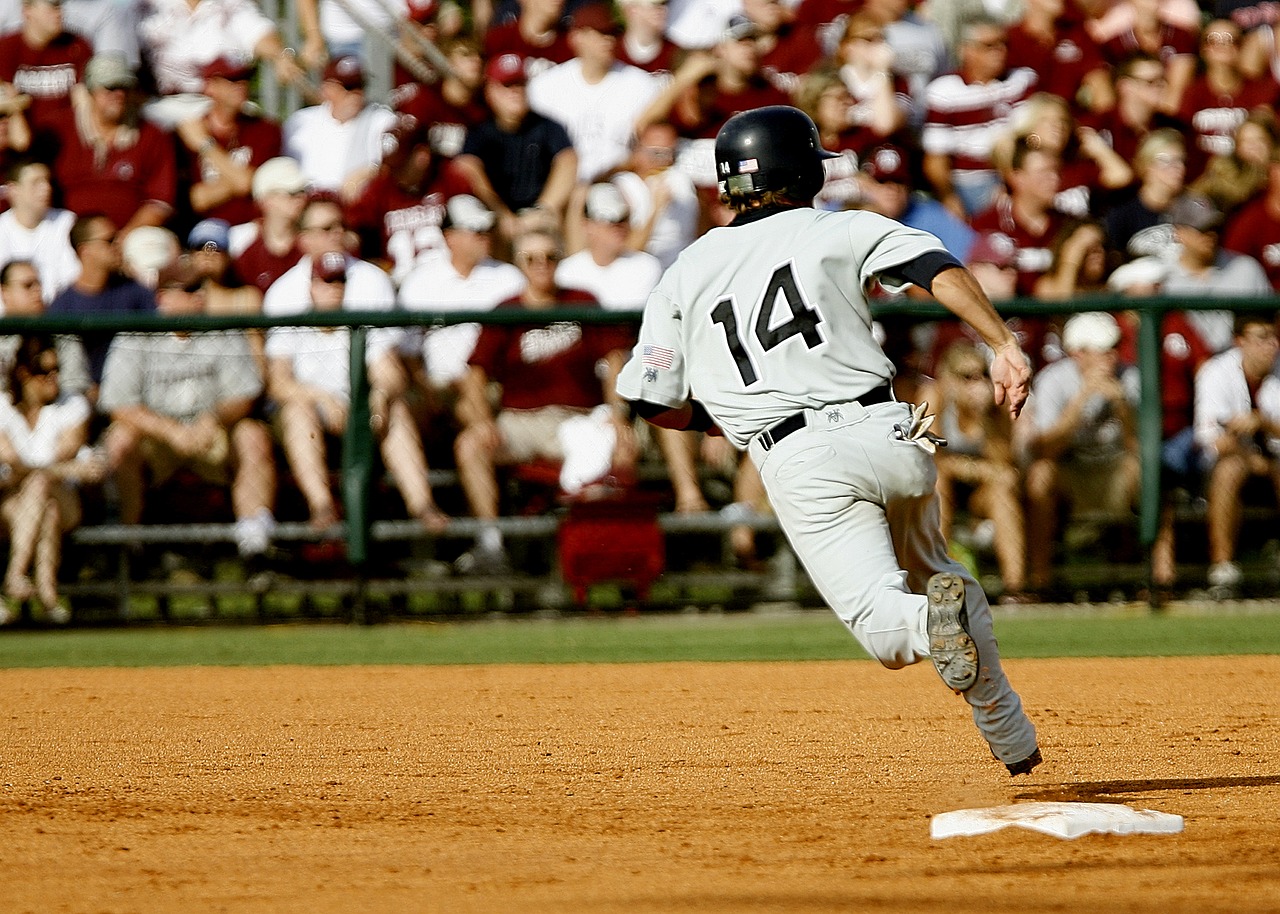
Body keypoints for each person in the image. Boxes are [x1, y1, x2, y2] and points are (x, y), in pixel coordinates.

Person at [616, 105, 1041, 777]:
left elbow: (646, 397)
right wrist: (1002, 344)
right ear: (803, 168)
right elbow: (935, 264)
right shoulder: (841, 227)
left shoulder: (684, 271)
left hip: (800, 455)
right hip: (894, 429)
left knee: (887, 625)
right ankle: (1010, 732)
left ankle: (932, 626)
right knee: (942, 576)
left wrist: (721, 421)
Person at [452, 226, 637, 573]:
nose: (542, 265)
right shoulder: (505, 309)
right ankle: (491, 544)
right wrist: (482, 421)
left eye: (550, 257)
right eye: (532, 259)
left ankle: (598, 561)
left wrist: (618, 412)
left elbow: (615, 360)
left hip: (578, 419)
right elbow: (474, 374)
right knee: (470, 445)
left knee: (621, 448)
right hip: (520, 420)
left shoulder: (582, 301)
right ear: (519, 264)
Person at [98, 256, 278, 560]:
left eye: (201, 288)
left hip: (211, 434)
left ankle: (255, 546)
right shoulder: (136, 333)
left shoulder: (223, 329)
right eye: (189, 290)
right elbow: (119, 406)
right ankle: (128, 543)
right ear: (162, 297)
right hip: (157, 438)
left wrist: (212, 419)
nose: (200, 296)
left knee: (252, 434)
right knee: (119, 438)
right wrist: (170, 431)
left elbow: (245, 397)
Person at [265, 250, 448, 533]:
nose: (334, 289)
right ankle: (322, 506)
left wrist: (378, 396)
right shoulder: (294, 320)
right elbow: (278, 384)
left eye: (340, 281)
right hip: (313, 410)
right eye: (327, 282)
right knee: (297, 413)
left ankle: (422, 504)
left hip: (359, 409)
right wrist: (321, 398)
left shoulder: (361, 320)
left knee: (395, 408)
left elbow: (389, 373)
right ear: (311, 285)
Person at [1022, 311, 1139, 596]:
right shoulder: (1054, 379)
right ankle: (1040, 583)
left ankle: (1159, 582)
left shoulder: (1131, 377)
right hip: (1071, 468)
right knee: (1040, 475)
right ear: (1078, 354)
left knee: (1150, 472)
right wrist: (1082, 398)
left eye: (1114, 347)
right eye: (1102, 350)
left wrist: (1123, 407)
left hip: (1115, 468)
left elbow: (1138, 446)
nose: (1111, 356)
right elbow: (1045, 447)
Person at [0, 333, 103, 624]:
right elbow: (11, 462)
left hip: (64, 498)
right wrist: (66, 469)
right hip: (14, 505)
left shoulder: (71, 406)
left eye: (56, 371)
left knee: (40, 484)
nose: (53, 379)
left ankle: (15, 576)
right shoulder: (3, 406)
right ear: (23, 374)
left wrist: (36, 471)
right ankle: (48, 598)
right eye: (43, 372)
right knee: (46, 509)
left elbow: (57, 453)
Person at [917, 340, 1029, 602]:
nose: (976, 383)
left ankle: (1016, 587)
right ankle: (939, 579)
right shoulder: (933, 398)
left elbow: (1004, 467)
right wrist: (975, 469)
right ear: (949, 377)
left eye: (981, 375)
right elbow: (931, 457)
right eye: (966, 376)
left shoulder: (994, 406)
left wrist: (983, 417)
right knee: (938, 482)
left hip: (980, 493)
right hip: (942, 486)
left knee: (1002, 493)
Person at [1193, 312, 1280, 600]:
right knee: (1228, 469)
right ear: (1240, 341)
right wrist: (1247, 453)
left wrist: (1264, 422)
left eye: (1275, 337)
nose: (1272, 345)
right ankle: (1223, 569)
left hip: (1274, 464)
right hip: (1232, 465)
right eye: (1262, 338)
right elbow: (1209, 439)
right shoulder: (1216, 371)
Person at [526, 2, 662, 184]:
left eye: (613, 33)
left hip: (618, 179)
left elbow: (650, 144)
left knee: (606, 202)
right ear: (576, 36)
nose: (609, 40)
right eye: (601, 33)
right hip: (557, 180)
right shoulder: (545, 86)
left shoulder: (640, 84)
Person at [452, 52, 578, 247]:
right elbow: (467, 167)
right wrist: (502, 214)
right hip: (499, 218)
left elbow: (568, 161)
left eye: (520, 84)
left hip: (540, 214)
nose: (515, 92)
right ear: (490, 90)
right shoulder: (480, 132)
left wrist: (542, 209)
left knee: (572, 202)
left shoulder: (547, 126)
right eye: (507, 85)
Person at [45, 53, 178, 237]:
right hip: (63, 233)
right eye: (110, 87)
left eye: (125, 87)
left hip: (131, 236)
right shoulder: (57, 130)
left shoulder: (152, 135)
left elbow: (159, 201)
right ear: (90, 91)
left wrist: (125, 237)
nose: (119, 95)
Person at [920, 16, 1037, 219]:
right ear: (966, 50)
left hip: (1019, 172)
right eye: (989, 45)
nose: (1000, 51)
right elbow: (936, 160)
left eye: (1004, 43)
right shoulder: (945, 92)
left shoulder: (1022, 80)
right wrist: (949, 197)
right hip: (972, 181)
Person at [48, 212, 156, 399]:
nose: (118, 245)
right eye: (109, 240)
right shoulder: (63, 306)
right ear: (85, 251)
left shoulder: (136, 293)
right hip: (82, 398)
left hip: (136, 393)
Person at [172, 56, 284, 231]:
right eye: (231, 79)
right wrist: (240, 179)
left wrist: (205, 145)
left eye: (245, 78)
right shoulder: (186, 131)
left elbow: (251, 184)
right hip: (203, 229)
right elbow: (196, 200)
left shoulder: (265, 130)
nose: (241, 85)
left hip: (251, 227)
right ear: (210, 86)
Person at [1161, 192, 1272, 354]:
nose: (1211, 235)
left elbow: (1267, 325)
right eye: (1202, 229)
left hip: (1237, 364)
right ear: (1178, 232)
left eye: (1214, 227)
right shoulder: (1161, 276)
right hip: (1184, 366)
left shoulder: (1244, 268)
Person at [281, 56, 398, 203]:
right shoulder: (301, 121)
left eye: (360, 85)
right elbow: (285, 168)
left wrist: (369, 173)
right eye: (348, 87)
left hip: (359, 204)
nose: (356, 94)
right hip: (310, 205)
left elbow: (396, 166)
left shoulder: (383, 120)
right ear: (327, 89)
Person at [0, 0, 93, 135]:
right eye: (52, 8)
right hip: (22, 145)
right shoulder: (7, 48)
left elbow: (84, 104)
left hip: (67, 140)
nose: (59, 13)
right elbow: (9, 108)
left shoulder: (77, 46)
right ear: (27, 10)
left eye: (60, 7)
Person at [227, 156, 308, 295]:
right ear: (266, 200)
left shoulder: (312, 240)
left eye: (302, 191)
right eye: (291, 193)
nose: (300, 198)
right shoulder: (238, 242)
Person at [0, 157, 78, 300]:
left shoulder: (66, 222)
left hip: (57, 315)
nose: (46, 188)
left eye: (47, 181)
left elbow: (72, 277)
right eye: (35, 182)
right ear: (13, 190)